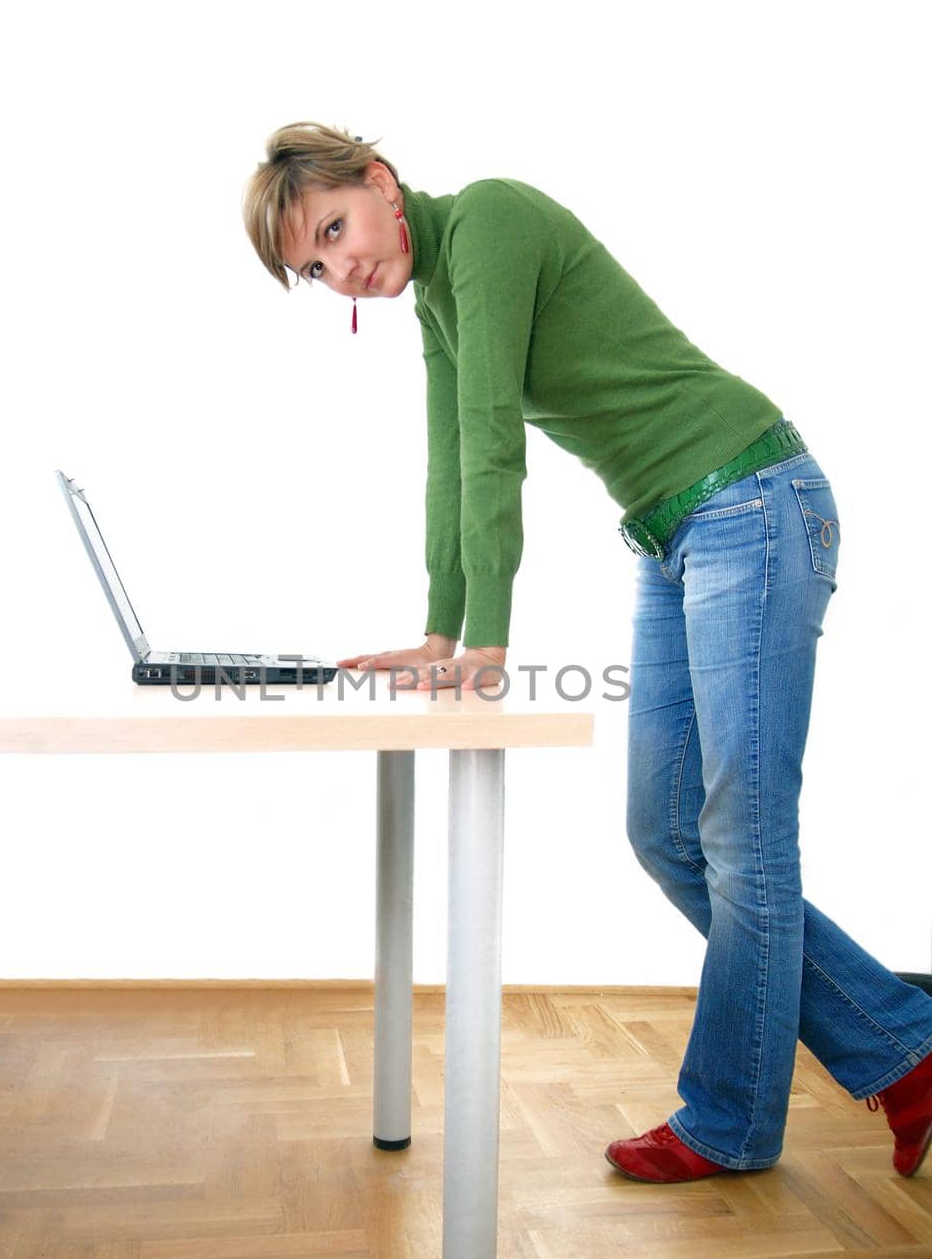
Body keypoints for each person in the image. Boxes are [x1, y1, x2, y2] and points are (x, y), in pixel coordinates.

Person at [241, 120, 932, 1183]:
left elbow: (494, 443)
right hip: (676, 532)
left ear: (380, 181)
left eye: (337, 229)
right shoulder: (437, 296)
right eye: (317, 267)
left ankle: (732, 1121)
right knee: (667, 832)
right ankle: (906, 1047)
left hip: (752, 499)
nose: (345, 269)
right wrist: (438, 630)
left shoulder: (490, 222)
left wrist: (493, 639)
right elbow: (449, 462)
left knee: (745, 835)